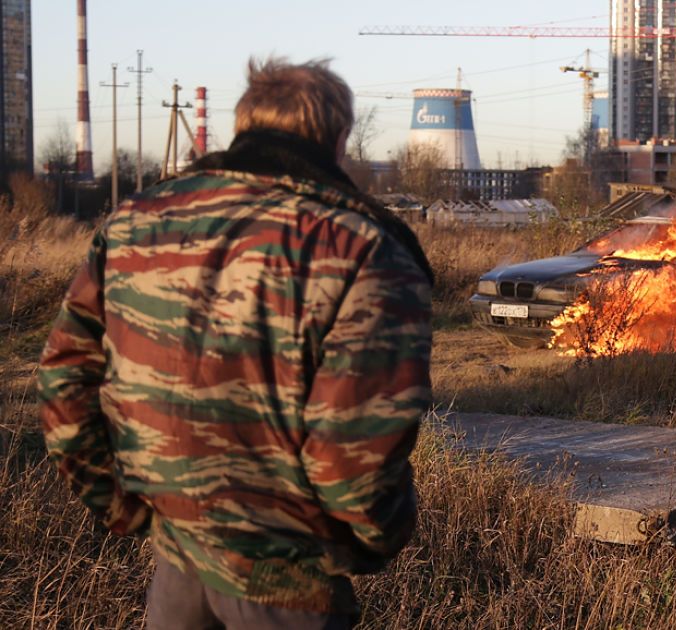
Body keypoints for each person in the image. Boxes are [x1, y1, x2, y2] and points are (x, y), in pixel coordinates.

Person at [38, 57, 433, 629]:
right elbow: (354, 458)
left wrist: (123, 506)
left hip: (175, 557)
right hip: (287, 582)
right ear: (338, 137)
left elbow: (63, 378)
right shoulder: (364, 250)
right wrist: (378, 540)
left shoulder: (133, 221)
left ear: (244, 124)